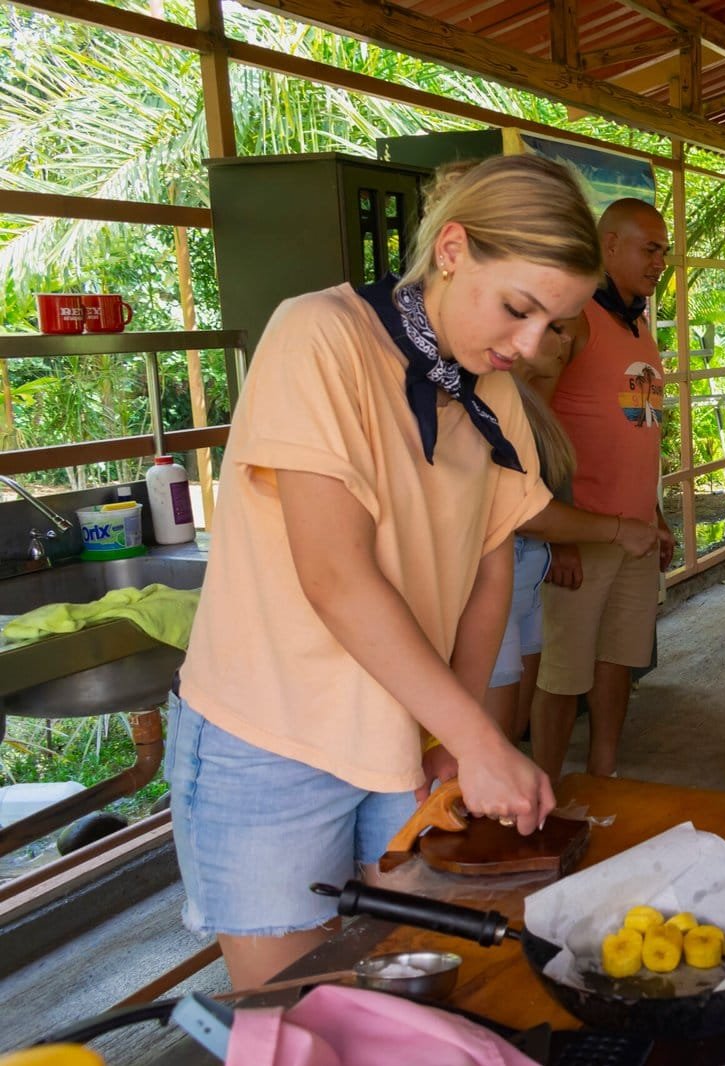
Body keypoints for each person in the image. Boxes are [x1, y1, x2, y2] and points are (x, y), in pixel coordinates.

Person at [165, 154, 601, 989]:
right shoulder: (318, 336)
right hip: (274, 737)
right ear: (451, 249)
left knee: (415, 992)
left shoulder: (489, 388)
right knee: (294, 1015)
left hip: (405, 737)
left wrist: (451, 733)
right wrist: (479, 740)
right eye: (518, 309)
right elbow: (334, 572)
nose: (529, 345)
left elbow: (488, 572)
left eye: (555, 325)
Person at [532, 197, 676, 779]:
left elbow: (643, 433)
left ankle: (604, 776)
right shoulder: (574, 320)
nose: (660, 260)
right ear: (609, 246)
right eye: (650, 248)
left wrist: (658, 516)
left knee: (619, 662)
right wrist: (556, 535)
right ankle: (543, 787)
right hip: (581, 529)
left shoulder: (639, 322)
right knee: (563, 673)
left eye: (663, 249)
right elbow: (535, 424)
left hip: (635, 532)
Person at [484, 320, 667, 744]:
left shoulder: (527, 405)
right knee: (499, 723)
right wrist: (614, 531)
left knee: (509, 725)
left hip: (527, 567)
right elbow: (522, 510)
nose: (568, 340)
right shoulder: (489, 403)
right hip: (499, 569)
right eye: (555, 328)